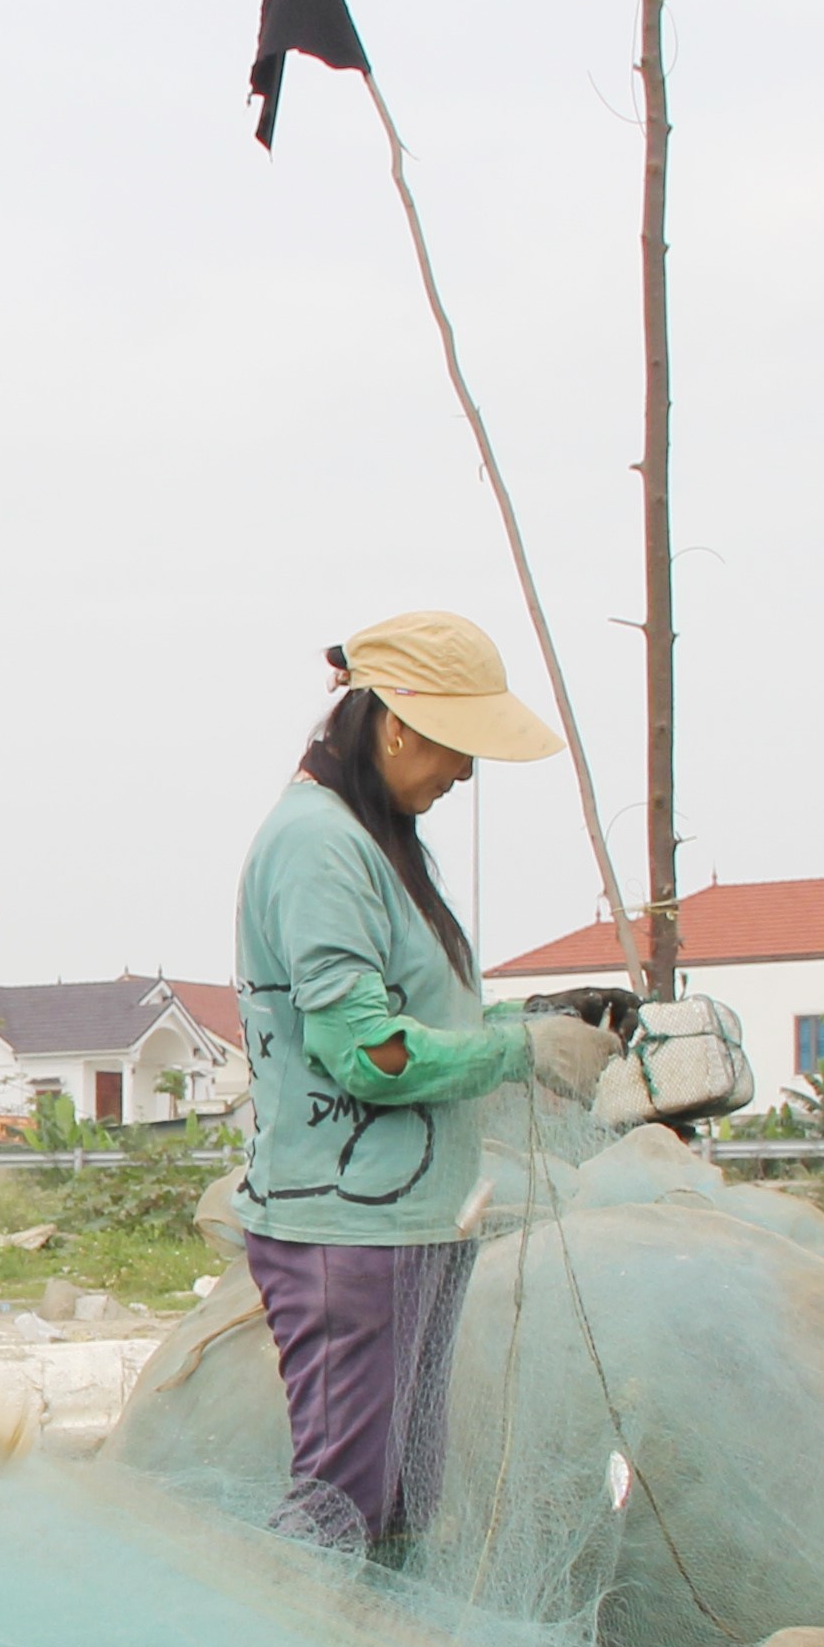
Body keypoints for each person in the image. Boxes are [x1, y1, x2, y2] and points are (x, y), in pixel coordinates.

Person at [225, 612, 619, 1558]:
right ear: (396, 725)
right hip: (347, 1230)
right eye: (459, 748)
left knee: (400, 1505)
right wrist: (524, 1055)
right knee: (338, 1507)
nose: (466, 775)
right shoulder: (319, 846)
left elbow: (418, 1022)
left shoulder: (373, 839)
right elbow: (368, 1054)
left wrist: (538, 1022)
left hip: (414, 1226)